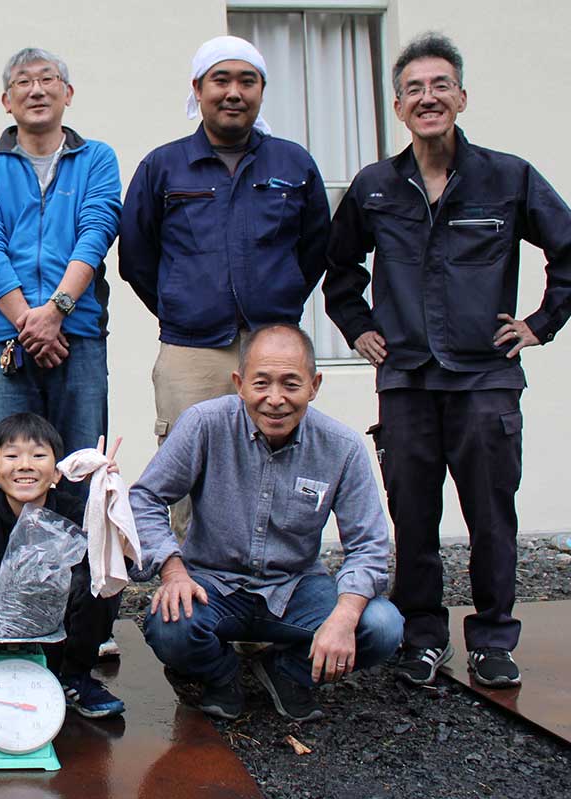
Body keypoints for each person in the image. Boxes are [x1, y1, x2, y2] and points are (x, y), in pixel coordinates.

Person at [323, 33, 571, 688]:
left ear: (461, 96)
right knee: (413, 513)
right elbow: (338, 271)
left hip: (485, 378)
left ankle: (492, 637)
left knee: (491, 513)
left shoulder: (508, 178)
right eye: (414, 89)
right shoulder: (376, 187)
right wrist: (358, 327)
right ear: (398, 106)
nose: (428, 98)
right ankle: (424, 636)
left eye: (440, 86)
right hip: (405, 380)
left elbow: (568, 249)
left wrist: (540, 323)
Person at [131, 325, 402, 722]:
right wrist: (173, 571)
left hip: (296, 588)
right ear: (240, 384)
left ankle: (288, 672)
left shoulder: (341, 447)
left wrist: (343, 617)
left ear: (314, 385)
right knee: (170, 624)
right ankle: (221, 676)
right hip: (213, 584)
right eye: (261, 383)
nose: (275, 399)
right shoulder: (205, 424)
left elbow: (370, 545)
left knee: (382, 627)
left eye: (291, 384)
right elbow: (144, 497)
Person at [118, 35, 330, 533]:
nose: (234, 92)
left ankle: (278, 586)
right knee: (188, 471)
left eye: (247, 81)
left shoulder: (292, 164)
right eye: (221, 79)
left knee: (278, 466)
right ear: (198, 89)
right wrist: (182, 303)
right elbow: (137, 257)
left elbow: (316, 247)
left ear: (261, 90)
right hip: (191, 351)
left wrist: (276, 302)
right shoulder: (163, 166)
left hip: (274, 347)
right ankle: (190, 590)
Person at [0, 47, 121, 497]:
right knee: (14, 459)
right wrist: (29, 322)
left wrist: (56, 312)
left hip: (80, 334)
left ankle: (82, 564)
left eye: (47, 79)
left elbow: (97, 231)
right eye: (23, 82)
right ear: (6, 100)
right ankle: (15, 563)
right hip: (9, 337)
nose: (36, 90)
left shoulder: (97, 159)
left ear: (67, 93)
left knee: (82, 459)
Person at [0, 414, 125, 720]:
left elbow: (114, 566)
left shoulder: (72, 509)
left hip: (55, 637)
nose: (25, 465)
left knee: (97, 579)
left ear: (57, 472)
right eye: (12, 455)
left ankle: (75, 678)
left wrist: (106, 497)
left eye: (39, 455)